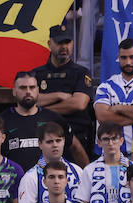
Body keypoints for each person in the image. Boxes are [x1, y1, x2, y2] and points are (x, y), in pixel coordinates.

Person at [34, 26, 95, 160]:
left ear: (72, 43)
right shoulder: (37, 73)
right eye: (59, 43)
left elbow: (78, 104)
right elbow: (31, 100)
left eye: (67, 42)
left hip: (76, 135)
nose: (64, 47)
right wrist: (58, 95)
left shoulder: (81, 72)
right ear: (50, 44)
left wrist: (43, 110)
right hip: (44, 137)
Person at [0, 71, 71, 174]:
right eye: (23, 88)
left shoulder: (54, 119)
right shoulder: (2, 121)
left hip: (48, 184)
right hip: (12, 183)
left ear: (38, 90)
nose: (28, 92)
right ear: (14, 91)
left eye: (32, 87)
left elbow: (74, 148)